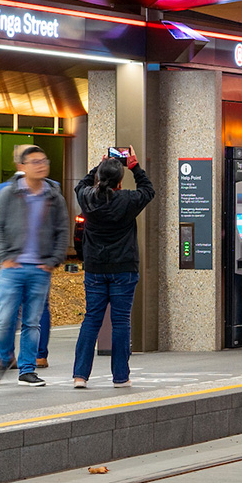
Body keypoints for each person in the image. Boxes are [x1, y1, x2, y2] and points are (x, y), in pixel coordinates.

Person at [71, 150, 154, 389]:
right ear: (120, 181)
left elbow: (81, 185)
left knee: (91, 320)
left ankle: (80, 376)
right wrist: (135, 165)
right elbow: (148, 190)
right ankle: (120, 377)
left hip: (95, 268)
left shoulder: (87, 197)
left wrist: (99, 166)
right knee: (120, 321)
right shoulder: (127, 200)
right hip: (124, 268)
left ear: (99, 177)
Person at [0, 144, 69, 386]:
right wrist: (3, 256)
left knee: (32, 322)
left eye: (44, 161)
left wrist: (53, 260)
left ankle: (27, 369)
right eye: (35, 161)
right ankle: (4, 357)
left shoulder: (54, 196)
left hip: (40, 269)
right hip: (12, 268)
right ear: (22, 167)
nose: (41, 165)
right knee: (4, 319)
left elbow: (63, 230)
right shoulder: (8, 194)